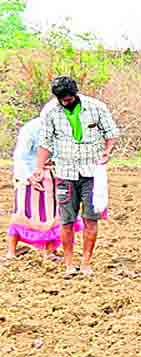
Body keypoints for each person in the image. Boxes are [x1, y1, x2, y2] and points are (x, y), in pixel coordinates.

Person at [30, 76, 118, 277]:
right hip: (65, 173)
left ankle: (86, 262)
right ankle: (69, 264)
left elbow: (111, 132)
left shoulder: (96, 107)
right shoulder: (51, 112)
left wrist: (107, 150)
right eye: (61, 99)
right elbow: (45, 143)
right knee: (66, 220)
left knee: (91, 219)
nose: (65, 102)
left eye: (68, 98)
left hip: (91, 172)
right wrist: (38, 168)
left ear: (75, 93)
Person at [8, 117, 81, 260]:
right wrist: (28, 176)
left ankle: (49, 252)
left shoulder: (64, 128)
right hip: (28, 174)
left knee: (52, 214)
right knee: (22, 213)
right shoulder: (31, 129)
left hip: (52, 176)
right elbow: (20, 156)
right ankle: (11, 252)